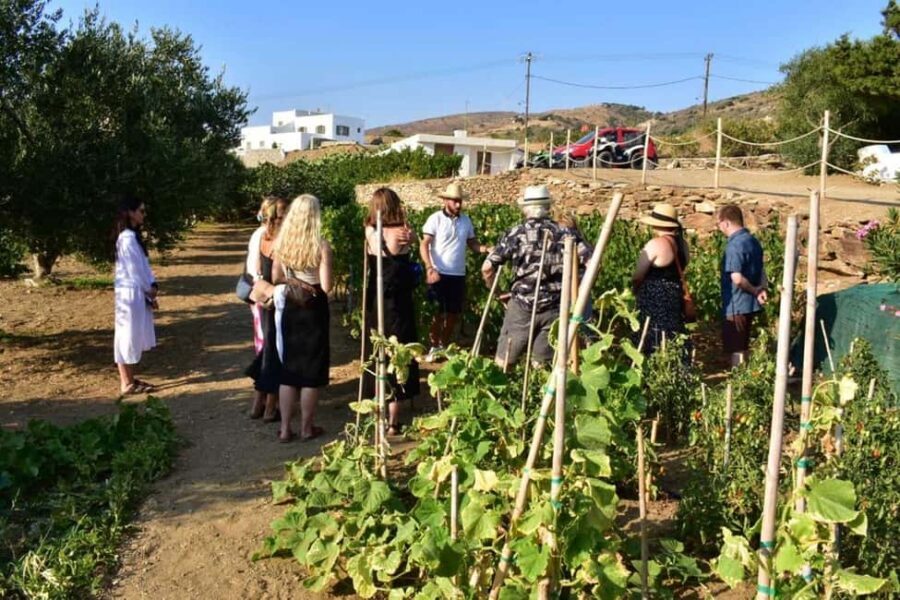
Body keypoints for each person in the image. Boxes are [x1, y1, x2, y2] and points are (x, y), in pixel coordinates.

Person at [481, 185, 591, 367]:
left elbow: (487, 268)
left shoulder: (516, 233)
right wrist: (577, 293)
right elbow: (593, 264)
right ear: (548, 207)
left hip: (522, 306)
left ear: (525, 208)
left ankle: (500, 393)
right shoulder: (566, 233)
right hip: (556, 308)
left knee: (504, 362)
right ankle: (539, 393)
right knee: (541, 365)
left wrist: (498, 293)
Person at [271, 194, 333, 442]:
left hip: (292, 306)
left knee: (290, 369)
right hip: (314, 307)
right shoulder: (321, 245)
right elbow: (327, 286)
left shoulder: (282, 243)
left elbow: (276, 276)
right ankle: (307, 428)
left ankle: (285, 429)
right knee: (311, 372)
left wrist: (292, 279)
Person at [362, 187, 420, 435]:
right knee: (400, 355)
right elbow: (412, 242)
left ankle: (378, 412)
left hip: (377, 299)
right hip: (400, 301)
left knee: (379, 352)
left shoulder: (370, 232)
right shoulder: (405, 232)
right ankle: (394, 422)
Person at [419, 182, 488, 361]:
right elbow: (424, 244)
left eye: (460, 201)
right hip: (438, 273)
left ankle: (444, 345)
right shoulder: (435, 219)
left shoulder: (466, 220)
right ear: (445, 201)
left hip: (458, 274)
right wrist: (429, 267)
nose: (458, 205)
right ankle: (434, 346)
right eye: (455, 201)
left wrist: (485, 249)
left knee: (452, 313)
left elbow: (472, 243)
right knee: (437, 312)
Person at [246, 196, 287, 421]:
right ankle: (270, 405)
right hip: (275, 299)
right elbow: (262, 273)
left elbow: (254, 271)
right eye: (283, 214)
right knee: (274, 351)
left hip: (264, 298)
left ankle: (259, 403)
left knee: (268, 349)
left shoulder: (259, 236)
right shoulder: (277, 238)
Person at [113, 195, 158, 395]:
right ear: (131, 213)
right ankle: (126, 382)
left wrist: (151, 288)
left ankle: (130, 378)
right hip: (130, 293)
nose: (144, 214)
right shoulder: (127, 239)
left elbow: (144, 267)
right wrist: (149, 290)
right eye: (141, 210)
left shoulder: (132, 237)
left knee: (133, 336)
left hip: (137, 293)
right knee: (126, 336)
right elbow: (134, 270)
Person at [632, 203, 691, 354]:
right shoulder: (683, 244)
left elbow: (638, 275)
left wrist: (634, 290)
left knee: (652, 333)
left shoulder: (656, 244)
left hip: (653, 296)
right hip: (674, 293)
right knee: (672, 332)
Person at [717, 204, 767, 367]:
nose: (719, 228)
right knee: (743, 345)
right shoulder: (753, 241)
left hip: (736, 305)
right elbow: (762, 270)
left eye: (719, 224)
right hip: (750, 304)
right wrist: (761, 289)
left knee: (736, 348)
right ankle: (744, 380)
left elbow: (737, 278)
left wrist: (754, 290)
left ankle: (738, 384)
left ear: (726, 223)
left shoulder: (734, 245)